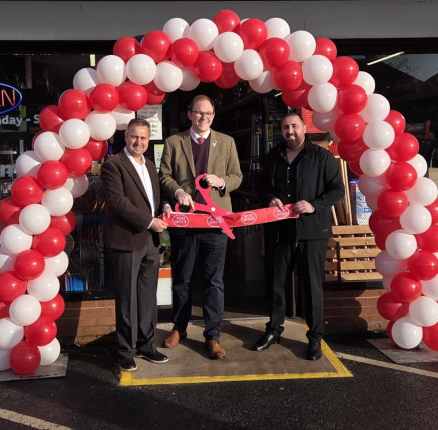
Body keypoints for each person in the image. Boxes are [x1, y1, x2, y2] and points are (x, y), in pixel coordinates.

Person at [252, 110, 344, 361]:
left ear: (304, 128)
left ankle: (315, 338)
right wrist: (270, 198)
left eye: (294, 126)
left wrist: (315, 204)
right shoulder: (273, 157)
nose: (289, 132)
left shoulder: (322, 157)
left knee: (311, 286)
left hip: (311, 231)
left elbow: (338, 189)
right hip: (280, 231)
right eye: (285, 128)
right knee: (276, 284)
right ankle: (274, 330)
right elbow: (259, 187)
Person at [158, 95, 242, 360]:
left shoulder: (227, 142)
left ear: (213, 115)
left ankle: (213, 335)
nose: (203, 117)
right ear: (189, 115)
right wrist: (178, 191)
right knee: (182, 279)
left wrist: (222, 181)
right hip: (184, 221)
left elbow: (237, 176)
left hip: (215, 223)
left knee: (213, 281)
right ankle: (179, 328)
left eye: (208, 113)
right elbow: (164, 175)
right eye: (198, 113)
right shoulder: (174, 142)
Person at [100, 118, 170, 372]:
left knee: (147, 298)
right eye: (134, 137)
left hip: (150, 242)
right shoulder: (113, 165)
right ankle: (125, 351)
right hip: (127, 241)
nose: (138, 142)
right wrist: (151, 222)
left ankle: (146, 345)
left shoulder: (150, 165)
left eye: (143, 138)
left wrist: (164, 208)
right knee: (127, 299)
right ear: (125, 137)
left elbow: (153, 199)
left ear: (148, 140)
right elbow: (118, 202)